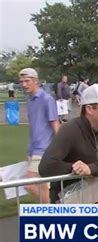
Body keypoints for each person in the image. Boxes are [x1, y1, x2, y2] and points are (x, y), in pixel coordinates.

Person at [39, 84, 98, 242]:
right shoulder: (70, 129)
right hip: (68, 199)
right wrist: (74, 168)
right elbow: (46, 167)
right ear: (90, 109)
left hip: (93, 194)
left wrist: (91, 168)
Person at [19, 68, 60, 203]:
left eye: (27, 81)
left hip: (44, 150)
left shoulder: (47, 99)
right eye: (22, 82)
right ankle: (53, 211)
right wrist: (29, 151)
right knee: (43, 187)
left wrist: (61, 149)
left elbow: (55, 125)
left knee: (30, 185)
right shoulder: (31, 101)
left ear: (35, 81)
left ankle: (52, 211)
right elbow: (34, 128)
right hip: (35, 150)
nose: (24, 84)